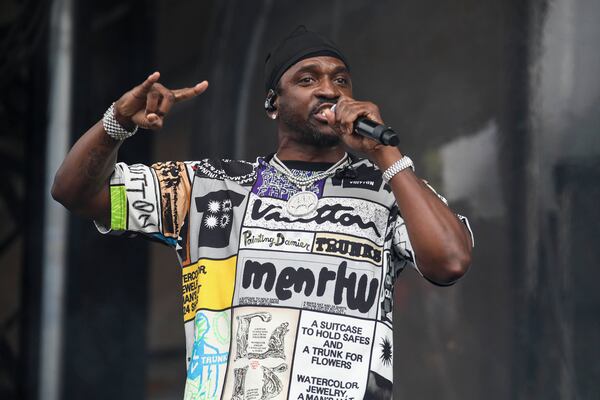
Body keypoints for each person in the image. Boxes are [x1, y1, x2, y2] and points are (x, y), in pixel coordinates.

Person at [52, 26, 473, 400]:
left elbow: (450, 261)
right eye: (307, 79)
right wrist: (116, 123)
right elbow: (75, 192)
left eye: (341, 80)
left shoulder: (388, 189)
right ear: (273, 103)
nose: (330, 90)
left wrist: (387, 156)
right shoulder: (205, 186)